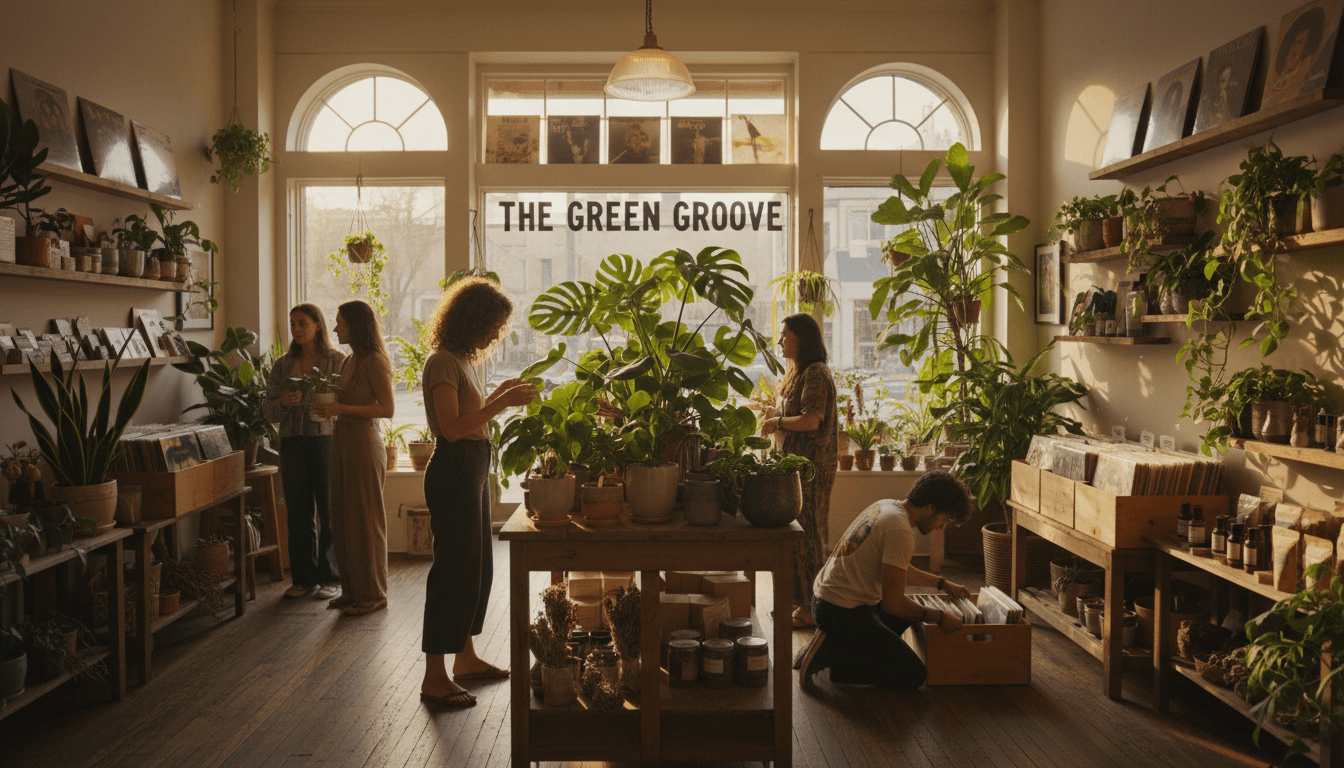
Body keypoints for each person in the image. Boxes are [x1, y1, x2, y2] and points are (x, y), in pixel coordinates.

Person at [418, 277, 539, 708]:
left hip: (471, 470)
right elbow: (451, 429)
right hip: (453, 470)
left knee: (477, 570)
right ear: (472, 320)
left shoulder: (461, 361)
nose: (495, 334)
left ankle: (465, 660)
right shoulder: (442, 362)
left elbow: (472, 415)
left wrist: (502, 393)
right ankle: (434, 677)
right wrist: (500, 404)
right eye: (492, 325)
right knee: (452, 572)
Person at [795, 470, 974, 690]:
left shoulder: (888, 506)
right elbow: (894, 604)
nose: (941, 527)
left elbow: (897, 568)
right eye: (944, 519)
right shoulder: (900, 531)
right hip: (840, 612)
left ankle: (834, 642)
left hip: (829, 602)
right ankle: (833, 657)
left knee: (910, 615)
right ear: (931, 508)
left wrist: (943, 584)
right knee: (914, 674)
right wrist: (939, 616)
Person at [312, 300, 395, 616]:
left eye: (340, 323)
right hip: (342, 439)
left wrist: (340, 409)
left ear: (356, 326)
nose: (334, 329)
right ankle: (352, 590)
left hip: (363, 442)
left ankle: (374, 593)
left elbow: (387, 409)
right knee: (341, 517)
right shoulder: (348, 361)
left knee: (366, 519)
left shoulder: (374, 362)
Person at [262, 304, 346, 601]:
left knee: (329, 510)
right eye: (292, 324)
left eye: (302, 323)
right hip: (292, 443)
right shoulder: (282, 365)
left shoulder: (338, 361)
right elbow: (269, 411)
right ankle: (303, 578)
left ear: (318, 325)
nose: (296, 329)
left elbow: (347, 404)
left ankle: (332, 577)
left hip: (327, 441)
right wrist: (284, 401)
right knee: (298, 511)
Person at [760, 313, 837, 629]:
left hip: (811, 468)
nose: (779, 341)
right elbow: (794, 413)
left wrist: (777, 422)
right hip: (795, 467)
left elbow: (810, 420)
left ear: (801, 338)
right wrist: (774, 413)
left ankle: (812, 607)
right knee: (797, 535)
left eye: (784, 335)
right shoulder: (798, 372)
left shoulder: (816, 373)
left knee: (809, 535)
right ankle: (801, 602)